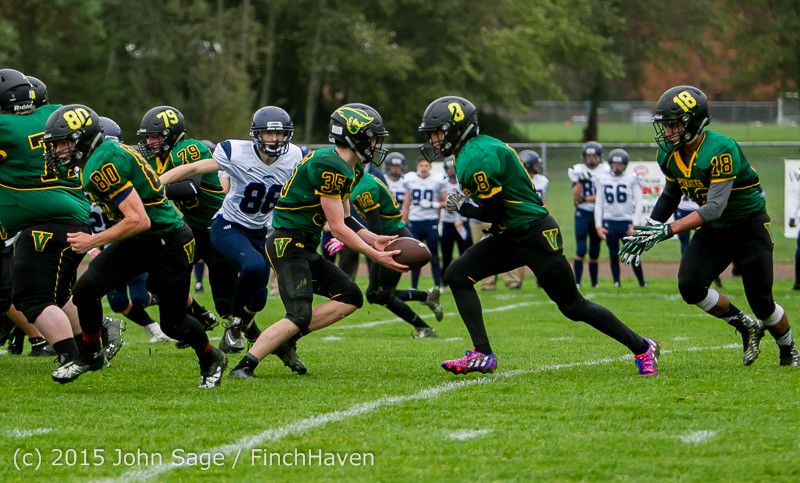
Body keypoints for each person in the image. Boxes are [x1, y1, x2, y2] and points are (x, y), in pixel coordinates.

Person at [418, 95, 660, 376]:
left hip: (534, 233)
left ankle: (643, 347)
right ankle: (482, 354)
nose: (433, 140)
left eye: (437, 133)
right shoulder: (474, 151)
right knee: (457, 274)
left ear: (457, 129)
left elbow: (498, 211)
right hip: (514, 232)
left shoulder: (476, 157)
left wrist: (464, 208)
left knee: (573, 306)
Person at [44, 104, 227, 387]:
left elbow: (139, 220)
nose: (58, 151)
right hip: (141, 240)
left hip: (168, 242)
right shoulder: (102, 156)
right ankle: (91, 354)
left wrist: (92, 241)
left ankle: (211, 357)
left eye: (64, 143)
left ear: (83, 139)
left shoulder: (102, 164)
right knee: (85, 290)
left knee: (173, 324)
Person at [620, 85, 798, 367]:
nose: (667, 132)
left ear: (693, 123)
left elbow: (714, 208)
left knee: (762, 302)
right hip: (716, 231)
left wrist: (668, 230)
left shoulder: (721, 149)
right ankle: (745, 325)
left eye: (674, 125)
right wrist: (649, 228)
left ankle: (788, 348)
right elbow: (671, 194)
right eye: (666, 125)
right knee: (690, 285)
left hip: (748, 226)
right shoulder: (668, 153)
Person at [227, 103, 407, 379]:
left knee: (350, 296)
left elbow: (346, 218)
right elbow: (337, 228)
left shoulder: (350, 168)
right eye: (371, 138)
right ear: (354, 136)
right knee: (298, 313)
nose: (375, 144)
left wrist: (373, 238)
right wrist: (375, 255)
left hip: (304, 246)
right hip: (288, 244)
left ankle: (286, 340)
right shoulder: (329, 165)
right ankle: (244, 366)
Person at [159, 105, 305, 371]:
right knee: (253, 265)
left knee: (259, 296)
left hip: (259, 231)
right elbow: (194, 168)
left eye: (280, 134)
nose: (275, 139)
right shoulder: (236, 152)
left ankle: (248, 330)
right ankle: (234, 326)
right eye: (269, 133)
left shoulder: (294, 156)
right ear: (256, 134)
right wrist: (157, 183)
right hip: (228, 226)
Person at [0, 69, 103, 367]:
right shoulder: (55, 114)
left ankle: (72, 357)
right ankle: (91, 350)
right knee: (59, 295)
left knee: (32, 299)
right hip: (75, 214)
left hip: (44, 222)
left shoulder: (6, 127)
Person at [137, 106, 235, 348]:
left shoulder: (189, 149)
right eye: (147, 137)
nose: (149, 142)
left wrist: (151, 192)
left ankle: (236, 331)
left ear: (172, 135)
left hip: (218, 225)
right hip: (192, 227)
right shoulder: (154, 158)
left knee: (223, 292)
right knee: (158, 281)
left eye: (155, 136)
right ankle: (200, 316)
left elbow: (190, 188)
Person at [89, 116, 169, 344]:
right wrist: (92, 247)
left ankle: (174, 299)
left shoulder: (125, 172)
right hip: (104, 242)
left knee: (140, 297)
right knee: (117, 302)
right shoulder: (83, 176)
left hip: (129, 240)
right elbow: (81, 218)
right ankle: (154, 328)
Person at [352, 169, 443, 338]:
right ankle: (426, 296)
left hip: (392, 241)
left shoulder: (364, 188)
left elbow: (377, 230)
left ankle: (425, 328)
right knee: (373, 295)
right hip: (389, 238)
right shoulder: (363, 180)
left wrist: (354, 240)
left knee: (384, 295)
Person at [593, 148, 647, 288]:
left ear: (625, 165)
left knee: (633, 252)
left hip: (626, 222)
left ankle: (642, 282)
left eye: (620, 164)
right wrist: (598, 225)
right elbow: (598, 204)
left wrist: (635, 224)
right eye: (614, 164)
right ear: (610, 164)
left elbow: (639, 203)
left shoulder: (632, 178)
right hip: (609, 221)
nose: (617, 167)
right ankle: (616, 282)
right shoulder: (603, 179)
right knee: (613, 254)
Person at [568, 141, 609, 288]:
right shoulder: (578, 170)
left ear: (599, 157)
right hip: (582, 213)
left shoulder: (606, 170)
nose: (591, 159)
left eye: (594, 156)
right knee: (581, 250)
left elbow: (604, 196)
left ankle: (594, 283)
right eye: (588, 156)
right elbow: (576, 197)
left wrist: (586, 199)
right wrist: (580, 180)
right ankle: (577, 282)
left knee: (595, 250)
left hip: (598, 214)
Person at [402, 157, 446, 291]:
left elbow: (447, 202)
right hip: (415, 221)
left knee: (434, 254)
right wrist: (403, 220)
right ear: (417, 167)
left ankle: (438, 285)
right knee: (415, 256)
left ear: (430, 167)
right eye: (421, 165)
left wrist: (433, 204)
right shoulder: (410, 180)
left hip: (430, 221)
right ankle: (414, 287)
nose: (424, 168)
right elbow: (406, 203)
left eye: (426, 165)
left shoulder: (437, 181)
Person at [439, 156, 473, 285]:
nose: (451, 171)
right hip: (448, 222)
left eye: (453, 168)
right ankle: (444, 281)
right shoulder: (443, 184)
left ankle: (465, 278)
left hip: (462, 222)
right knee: (446, 254)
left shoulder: (463, 183)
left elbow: (467, 203)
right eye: (449, 168)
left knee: (465, 252)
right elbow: (445, 202)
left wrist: (460, 218)